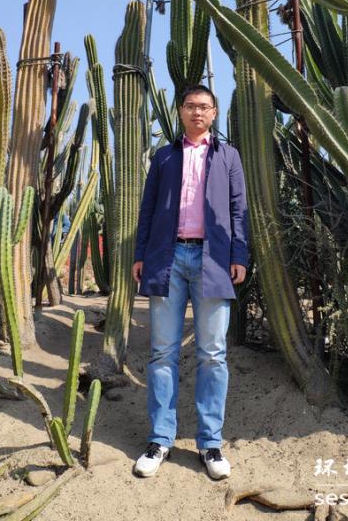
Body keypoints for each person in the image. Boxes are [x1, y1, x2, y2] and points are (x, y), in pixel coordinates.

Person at [132, 84, 248, 480]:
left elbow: (238, 210)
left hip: (213, 260)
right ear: (180, 111)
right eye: (190, 106)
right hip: (168, 257)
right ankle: (160, 439)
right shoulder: (164, 157)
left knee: (212, 354)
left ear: (214, 113)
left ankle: (210, 443)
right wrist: (141, 254)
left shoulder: (229, 156)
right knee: (162, 353)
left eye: (204, 106)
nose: (197, 112)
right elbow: (148, 208)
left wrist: (239, 256)